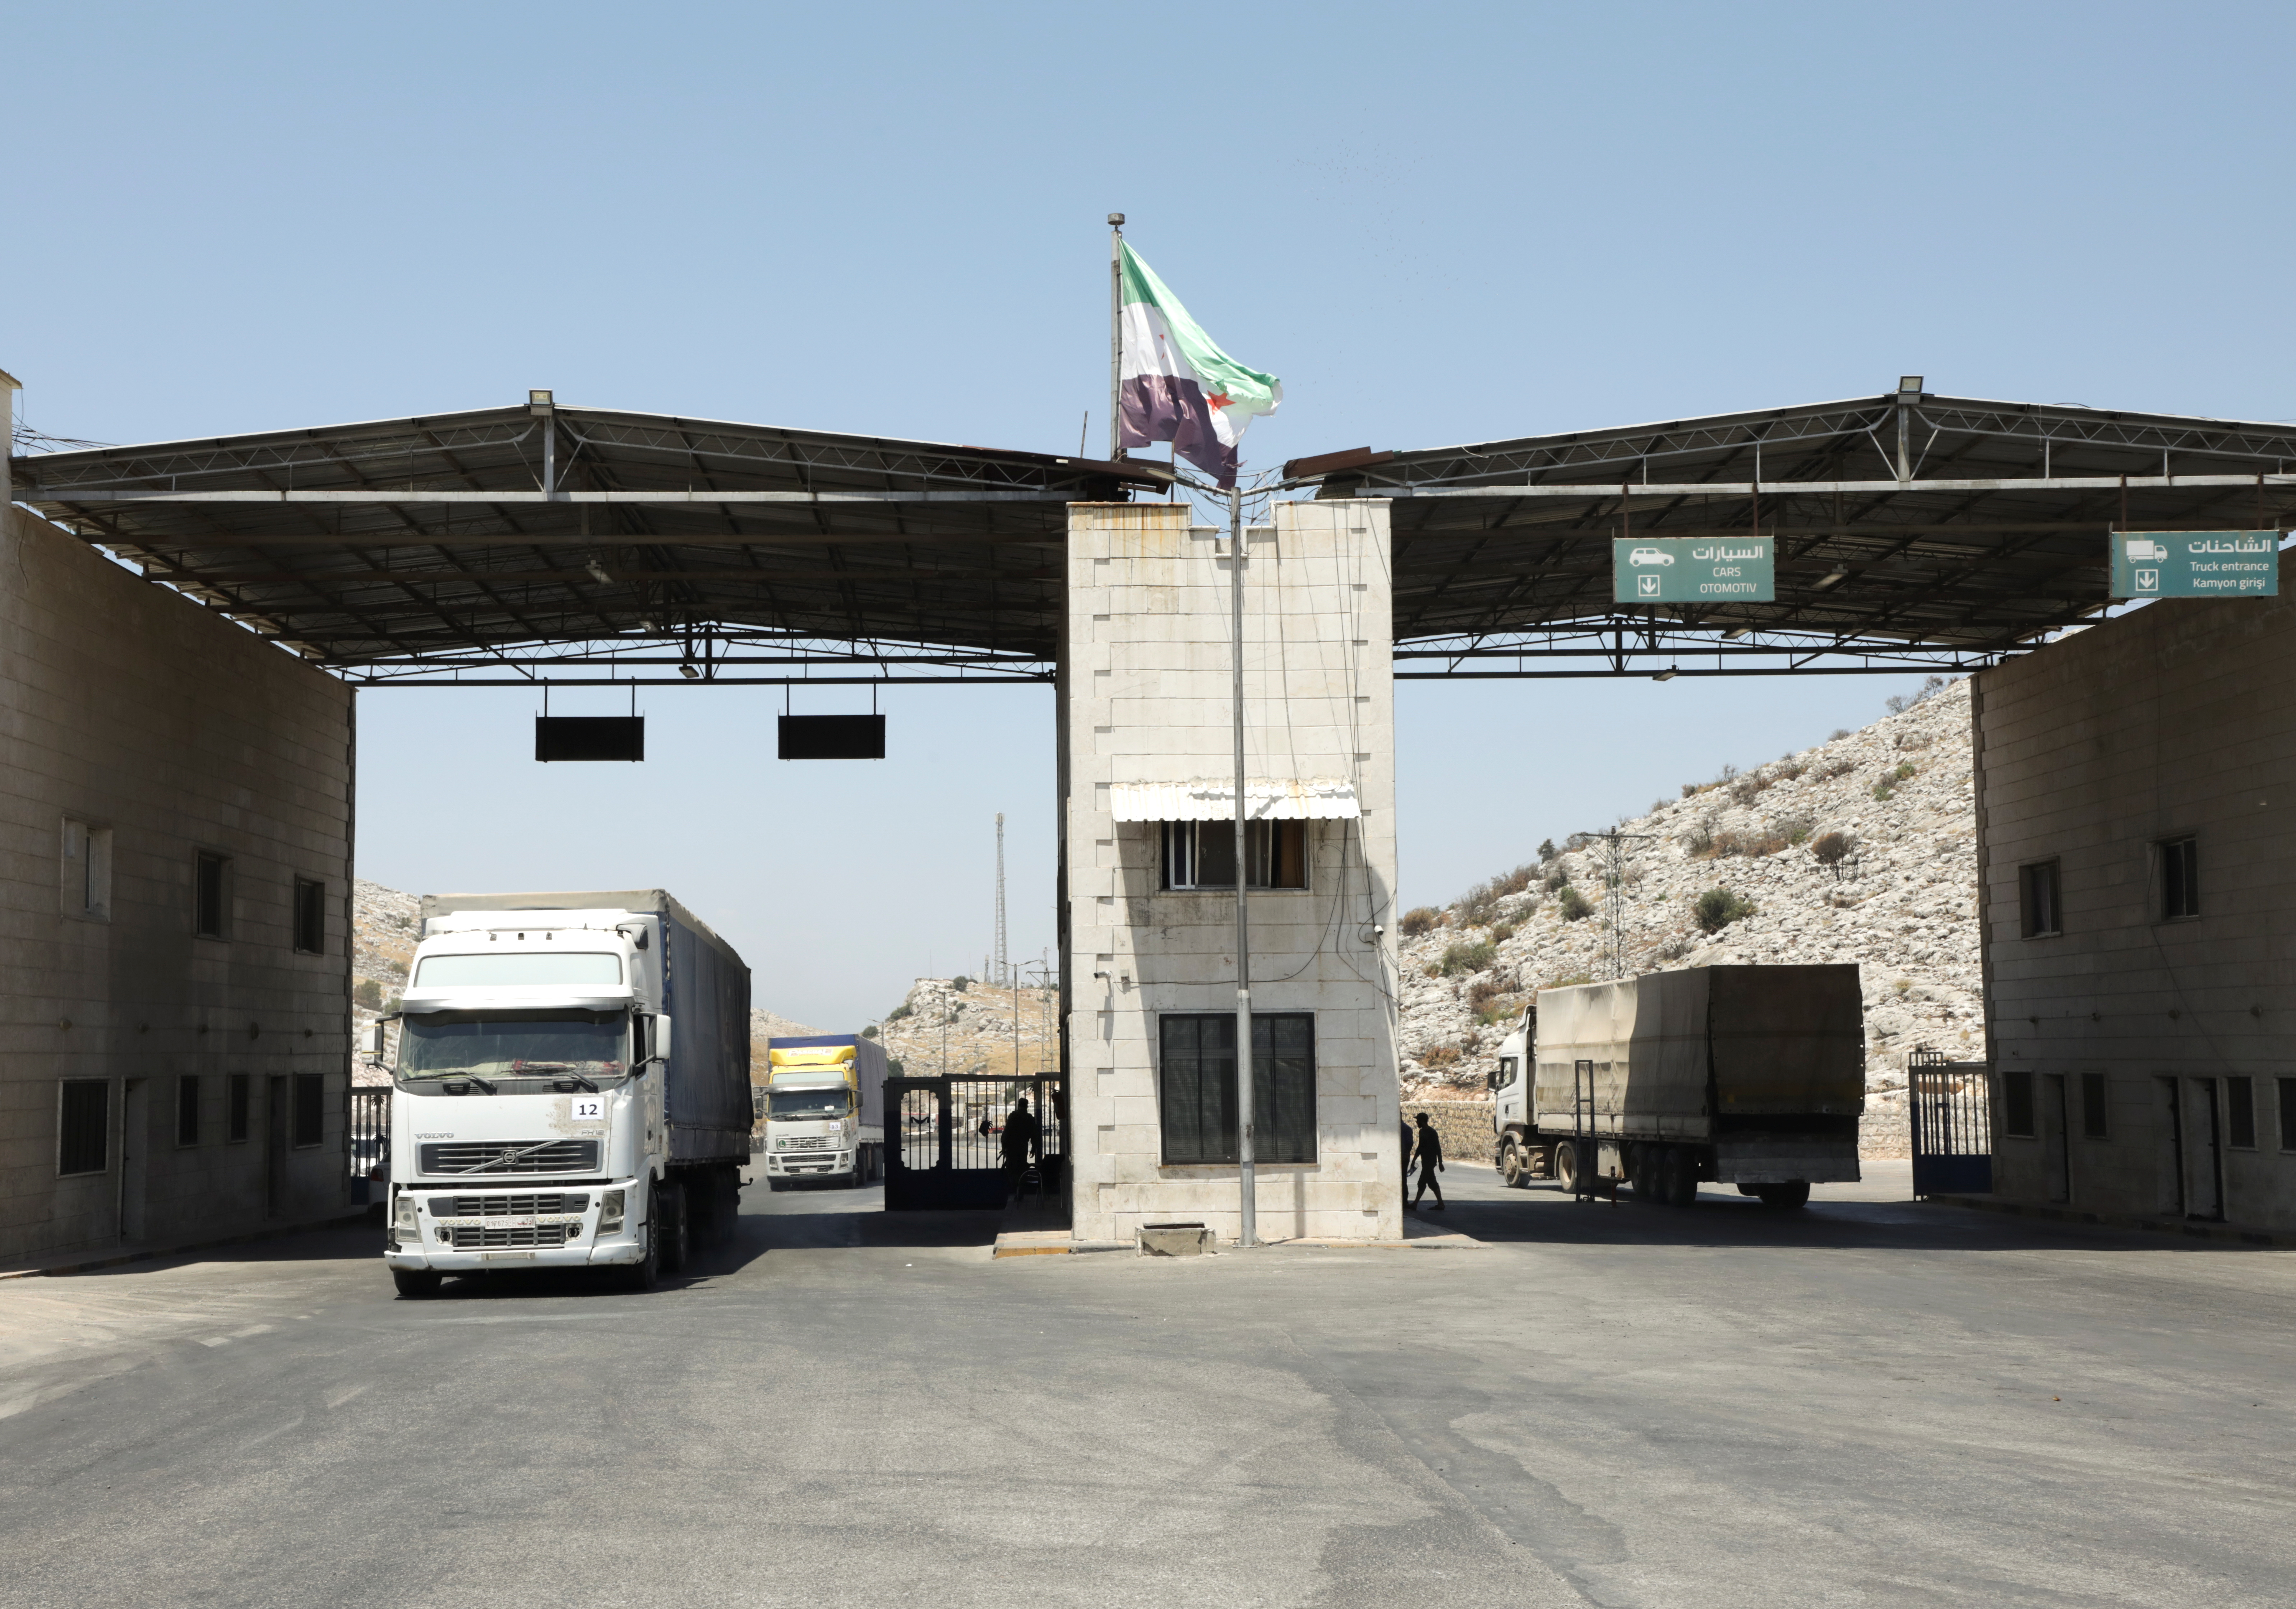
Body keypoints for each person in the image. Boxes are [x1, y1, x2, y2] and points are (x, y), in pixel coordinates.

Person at [1000, 1095, 1041, 1190]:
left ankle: (1015, 1190)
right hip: (1023, 1147)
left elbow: (1006, 1133)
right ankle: (1021, 1189)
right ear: (1027, 1107)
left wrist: (1004, 1147)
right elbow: (1035, 1135)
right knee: (1022, 1169)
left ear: (1018, 1105)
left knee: (1012, 1169)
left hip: (1012, 1147)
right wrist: (1034, 1148)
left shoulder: (1013, 1116)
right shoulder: (1030, 1118)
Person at [1409, 1111, 1445, 1211]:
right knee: (1432, 1182)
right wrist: (1414, 1160)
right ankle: (1441, 1204)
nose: (1417, 1123)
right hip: (1425, 1161)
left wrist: (1440, 1162)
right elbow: (1420, 1147)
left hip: (1431, 1161)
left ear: (1422, 1121)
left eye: (1418, 1121)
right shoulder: (1422, 1132)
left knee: (1422, 1182)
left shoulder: (1432, 1132)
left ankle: (1415, 1204)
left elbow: (1438, 1148)